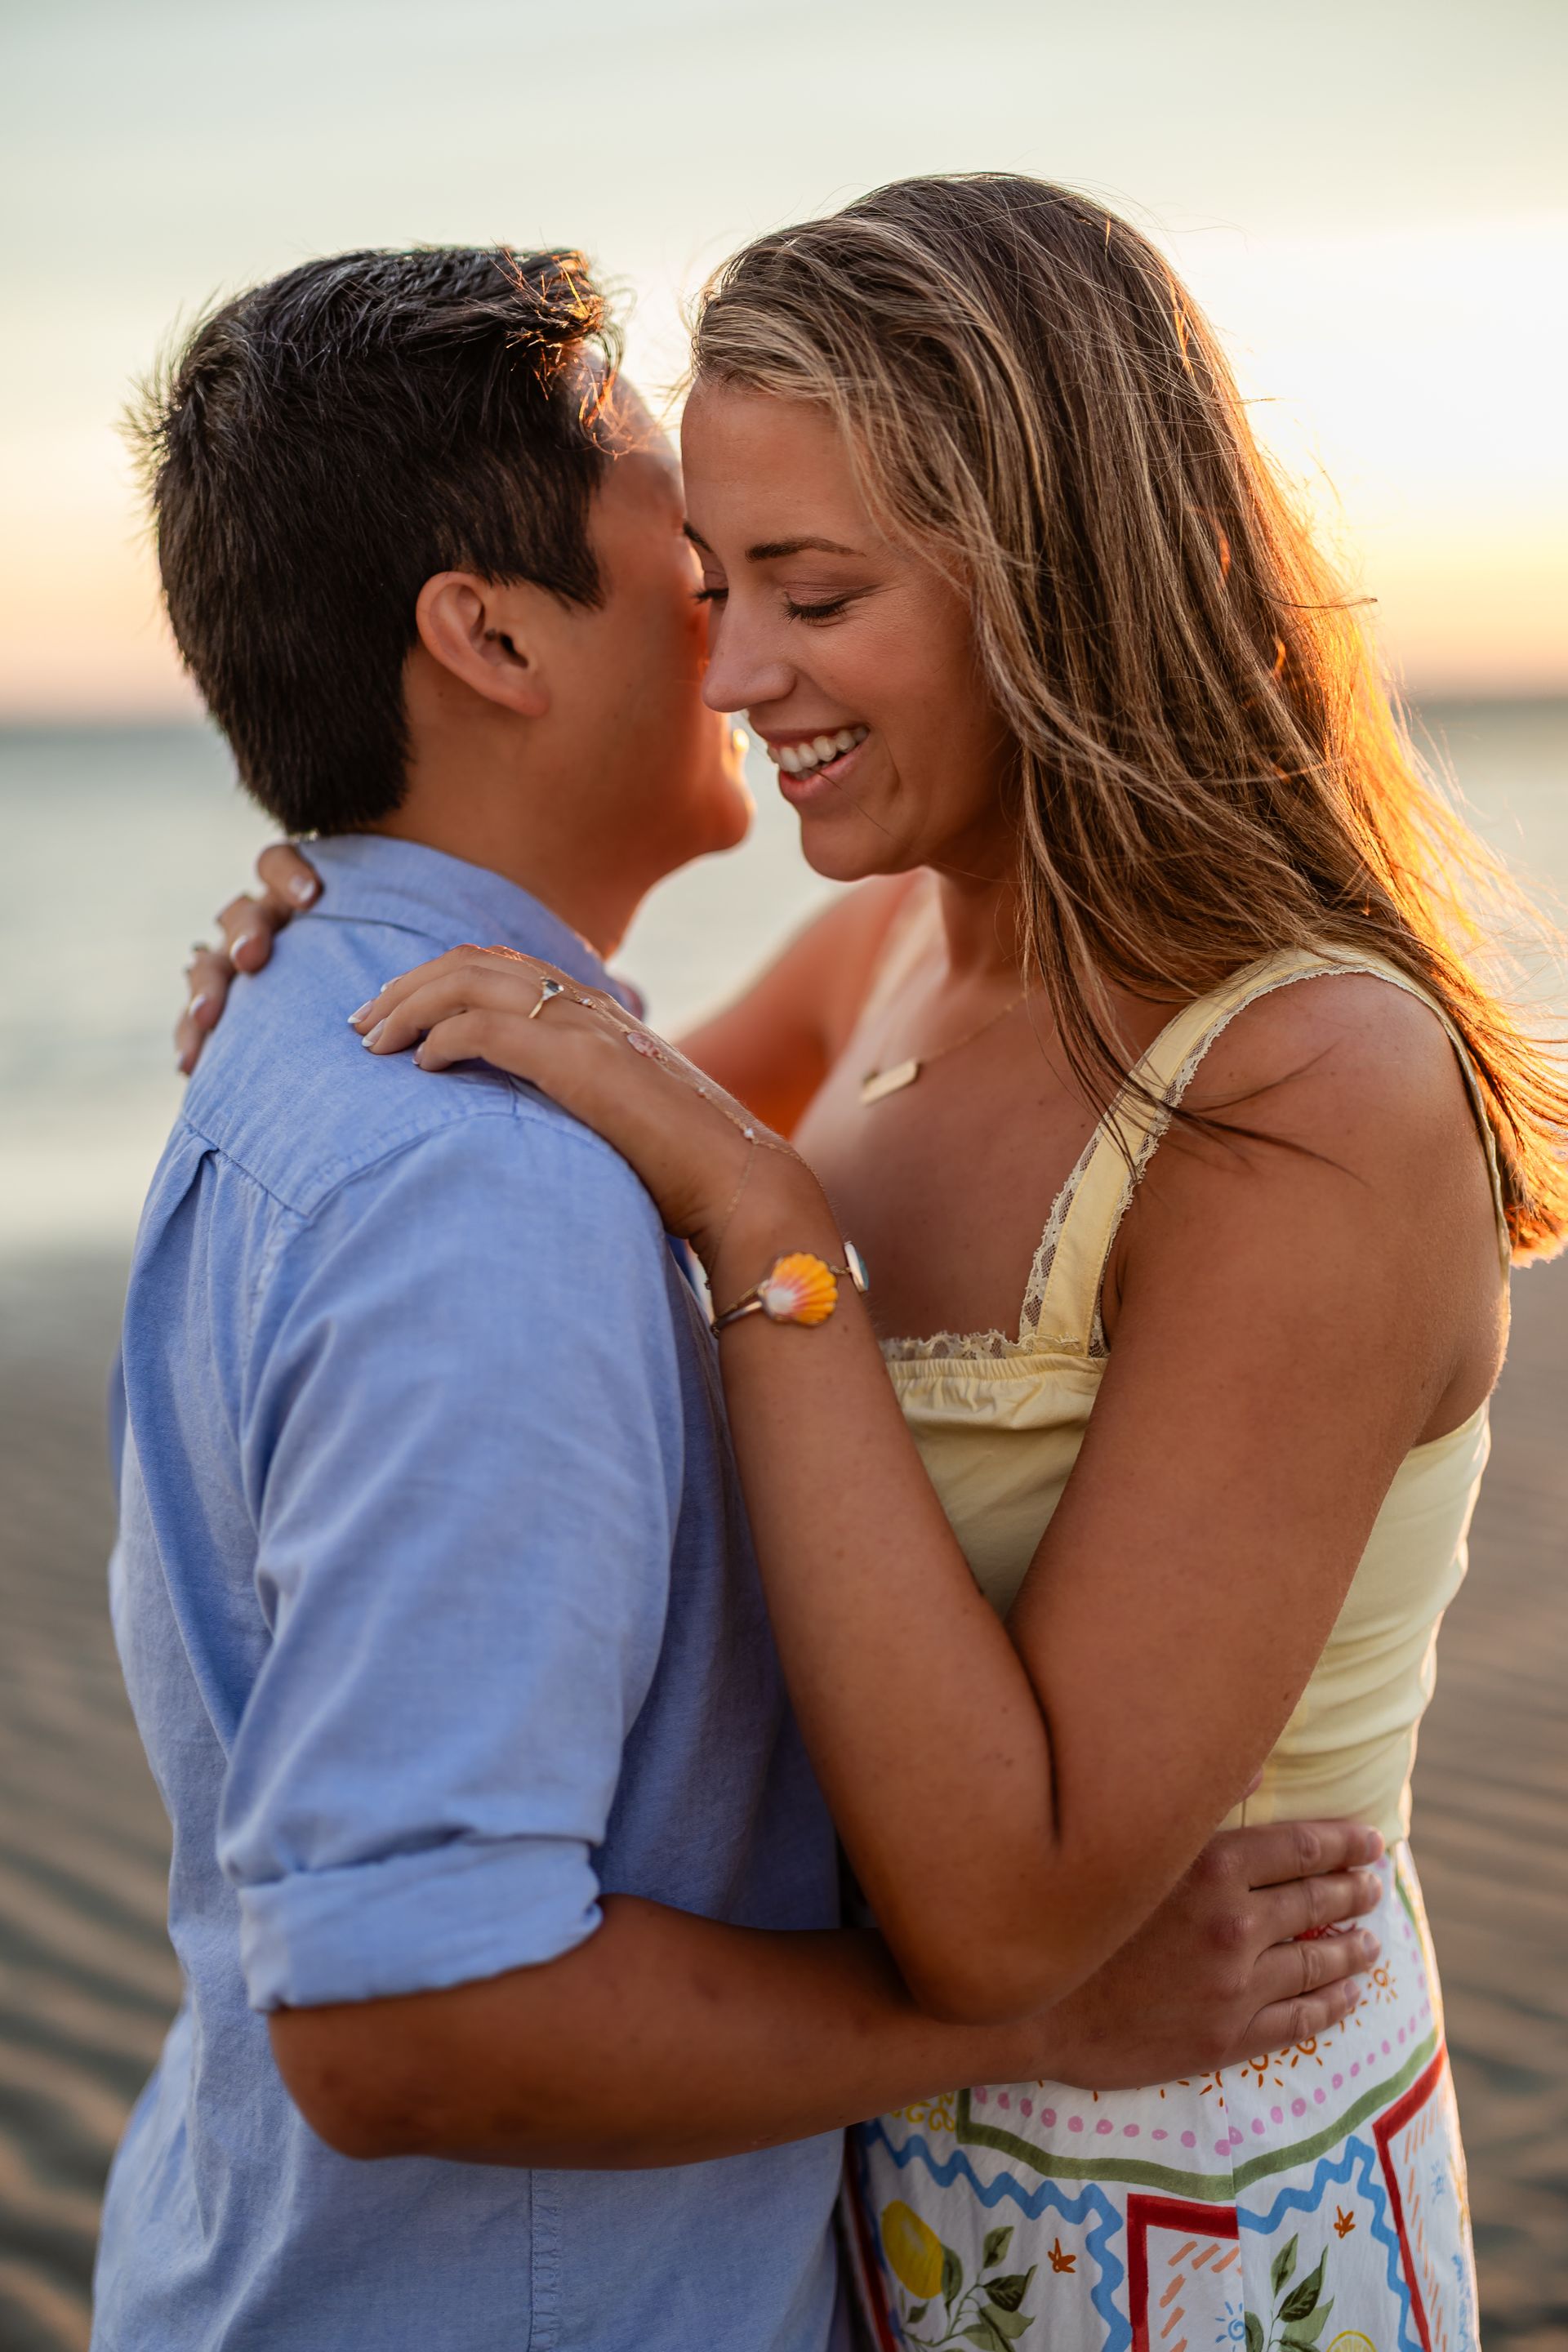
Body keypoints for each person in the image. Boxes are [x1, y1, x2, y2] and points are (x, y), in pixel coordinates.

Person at [205, 177, 1568, 2350]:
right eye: (713, 584)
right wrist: (333, 957)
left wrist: (772, 1230)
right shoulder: (876, 955)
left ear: (1063, 582)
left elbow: (1012, 1906)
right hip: (858, 2216)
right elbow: (533, 1155)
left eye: (813, 595)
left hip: (1202, 2235)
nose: (736, 675)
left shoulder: (1312, 1094)